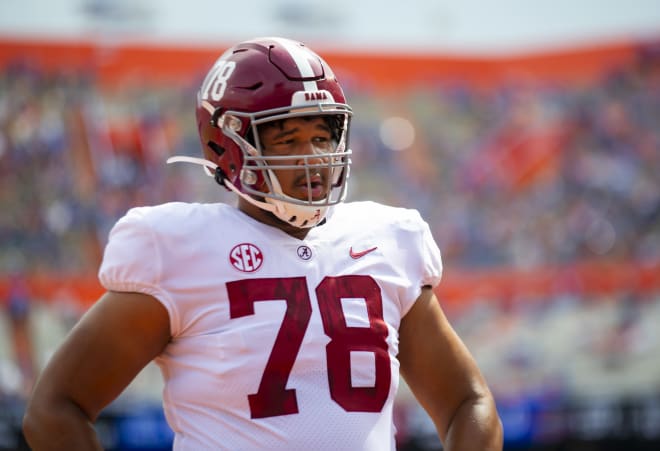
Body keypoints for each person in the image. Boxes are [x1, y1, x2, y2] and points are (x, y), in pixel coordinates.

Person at [22, 37, 503, 450]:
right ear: (226, 146)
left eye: (322, 135)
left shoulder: (388, 241)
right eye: (288, 140)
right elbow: (56, 407)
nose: (313, 157)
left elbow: (469, 402)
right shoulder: (178, 248)